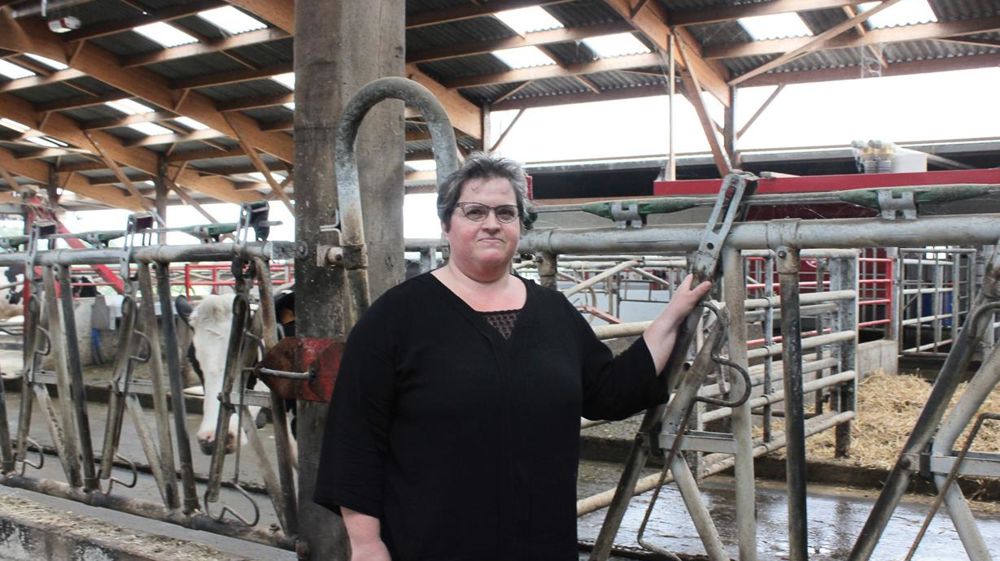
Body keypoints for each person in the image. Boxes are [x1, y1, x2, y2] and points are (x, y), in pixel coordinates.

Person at [314, 153, 711, 561]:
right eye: (474, 211)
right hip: (430, 542)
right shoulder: (396, 317)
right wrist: (366, 544)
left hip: (540, 542)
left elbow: (608, 392)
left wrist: (670, 318)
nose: (491, 223)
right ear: (446, 224)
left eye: (506, 213)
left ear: (520, 225)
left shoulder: (553, 312)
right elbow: (355, 437)